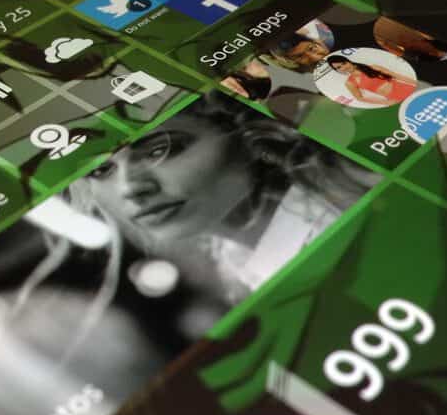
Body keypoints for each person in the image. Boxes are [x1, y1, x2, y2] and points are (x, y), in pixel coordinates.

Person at [72, 92, 379, 303]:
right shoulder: (235, 264)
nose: (129, 188)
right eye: (100, 171)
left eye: (159, 151)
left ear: (249, 134)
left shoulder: (350, 230)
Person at [325, 53, 418, 106]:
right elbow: (359, 98)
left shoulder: (373, 67)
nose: (343, 67)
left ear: (348, 61)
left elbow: (396, 76)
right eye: (339, 67)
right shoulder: (350, 83)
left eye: (343, 63)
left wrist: (416, 83)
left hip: (405, 88)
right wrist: (386, 102)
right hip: (394, 98)